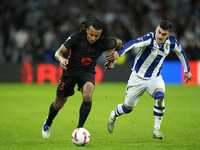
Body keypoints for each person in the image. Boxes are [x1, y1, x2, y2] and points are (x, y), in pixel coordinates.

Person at [106, 20, 194, 139]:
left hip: (154, 78)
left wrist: (187, 70)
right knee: (128, 108)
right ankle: (114, 115)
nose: (159, 36)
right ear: (156, 29)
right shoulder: (149, 38)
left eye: (163, 34)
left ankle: (156, 129)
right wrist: (119, 52)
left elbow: (181, 53)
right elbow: (133, 43)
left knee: (160, 97)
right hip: (137, 78)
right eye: (158, 32)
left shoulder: (172, 42)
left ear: (168, 34)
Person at [42, 16, 122, 139]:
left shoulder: (104, 42)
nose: (93, 38)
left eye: (96, 36)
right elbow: (58, 52)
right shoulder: (77, 37)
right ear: (86, 30)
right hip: (70, 73)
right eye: (91, 35)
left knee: (88, 94)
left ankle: (79, 128)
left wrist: (114, 58)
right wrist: (62, 59)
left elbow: (120, 43)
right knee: (59, 104)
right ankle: (48, 122)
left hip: (87, 73)